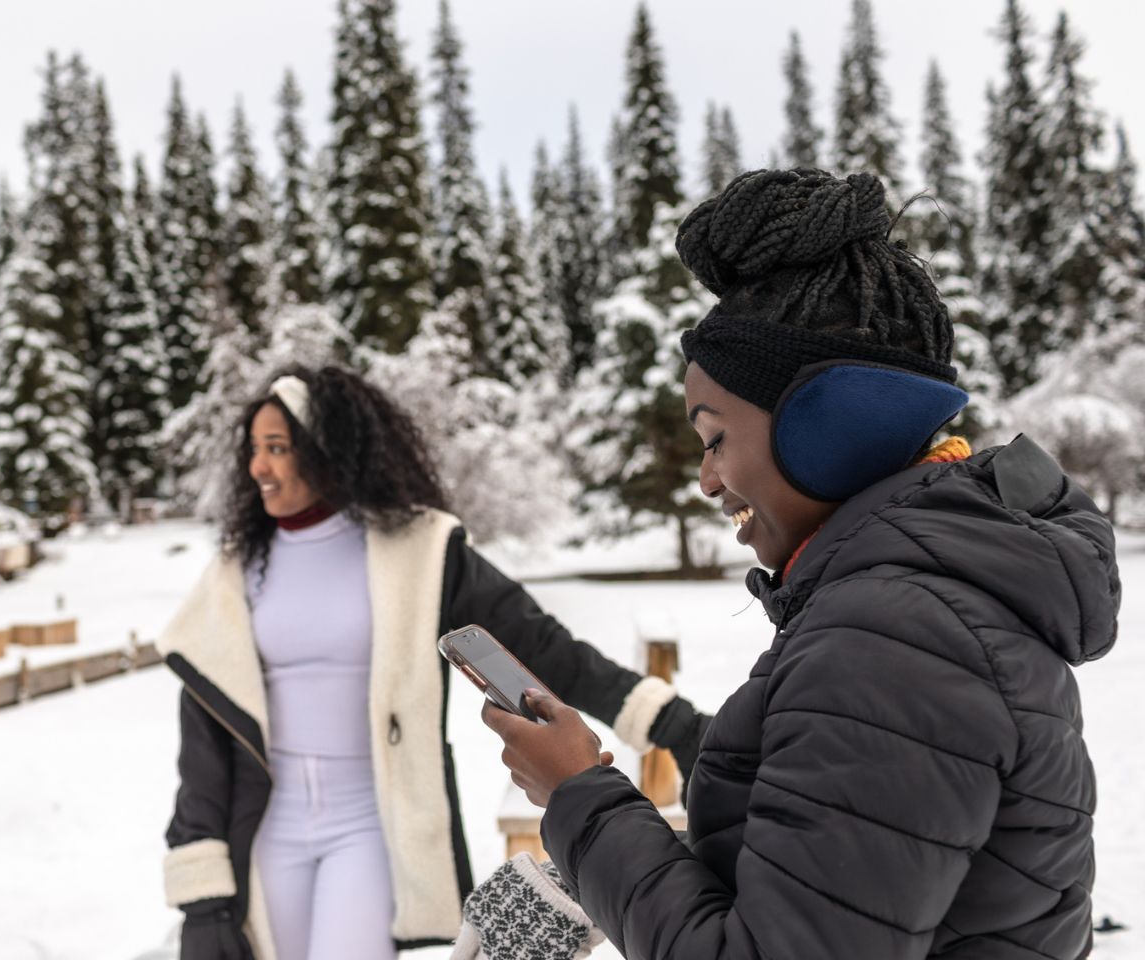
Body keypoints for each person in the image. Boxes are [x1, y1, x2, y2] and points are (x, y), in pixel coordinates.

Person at [483, 168, 1119, 959]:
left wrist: (581, 799)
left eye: (715, 439)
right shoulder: (921, 611)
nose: (707, 479)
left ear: (829, 428)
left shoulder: (895, 641)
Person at [156, 365, 710, 960]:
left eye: (277, 448)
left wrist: (670, 721)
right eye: (254, 450)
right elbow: (205, 739)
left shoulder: (420, 551)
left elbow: (545, 650)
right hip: (264, 831)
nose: (258, 467)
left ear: (327, 447)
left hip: (368, 828)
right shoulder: (234, 572)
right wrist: (203, 898)